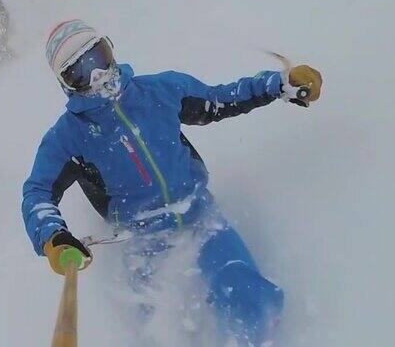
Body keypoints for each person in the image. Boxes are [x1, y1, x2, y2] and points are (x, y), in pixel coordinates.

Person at [21, 20, 322, 345]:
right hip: (143, 241)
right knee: (162, 330)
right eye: (79, 73)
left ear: (110, 50)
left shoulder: (158, 90)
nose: (96, 76)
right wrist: (53, 235)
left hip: (200, 216)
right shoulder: (69, 136)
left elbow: (221, 99)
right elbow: (37, 192)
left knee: (244, 293)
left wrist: (277, 85)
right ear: (66, 84)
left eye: (97, 59)